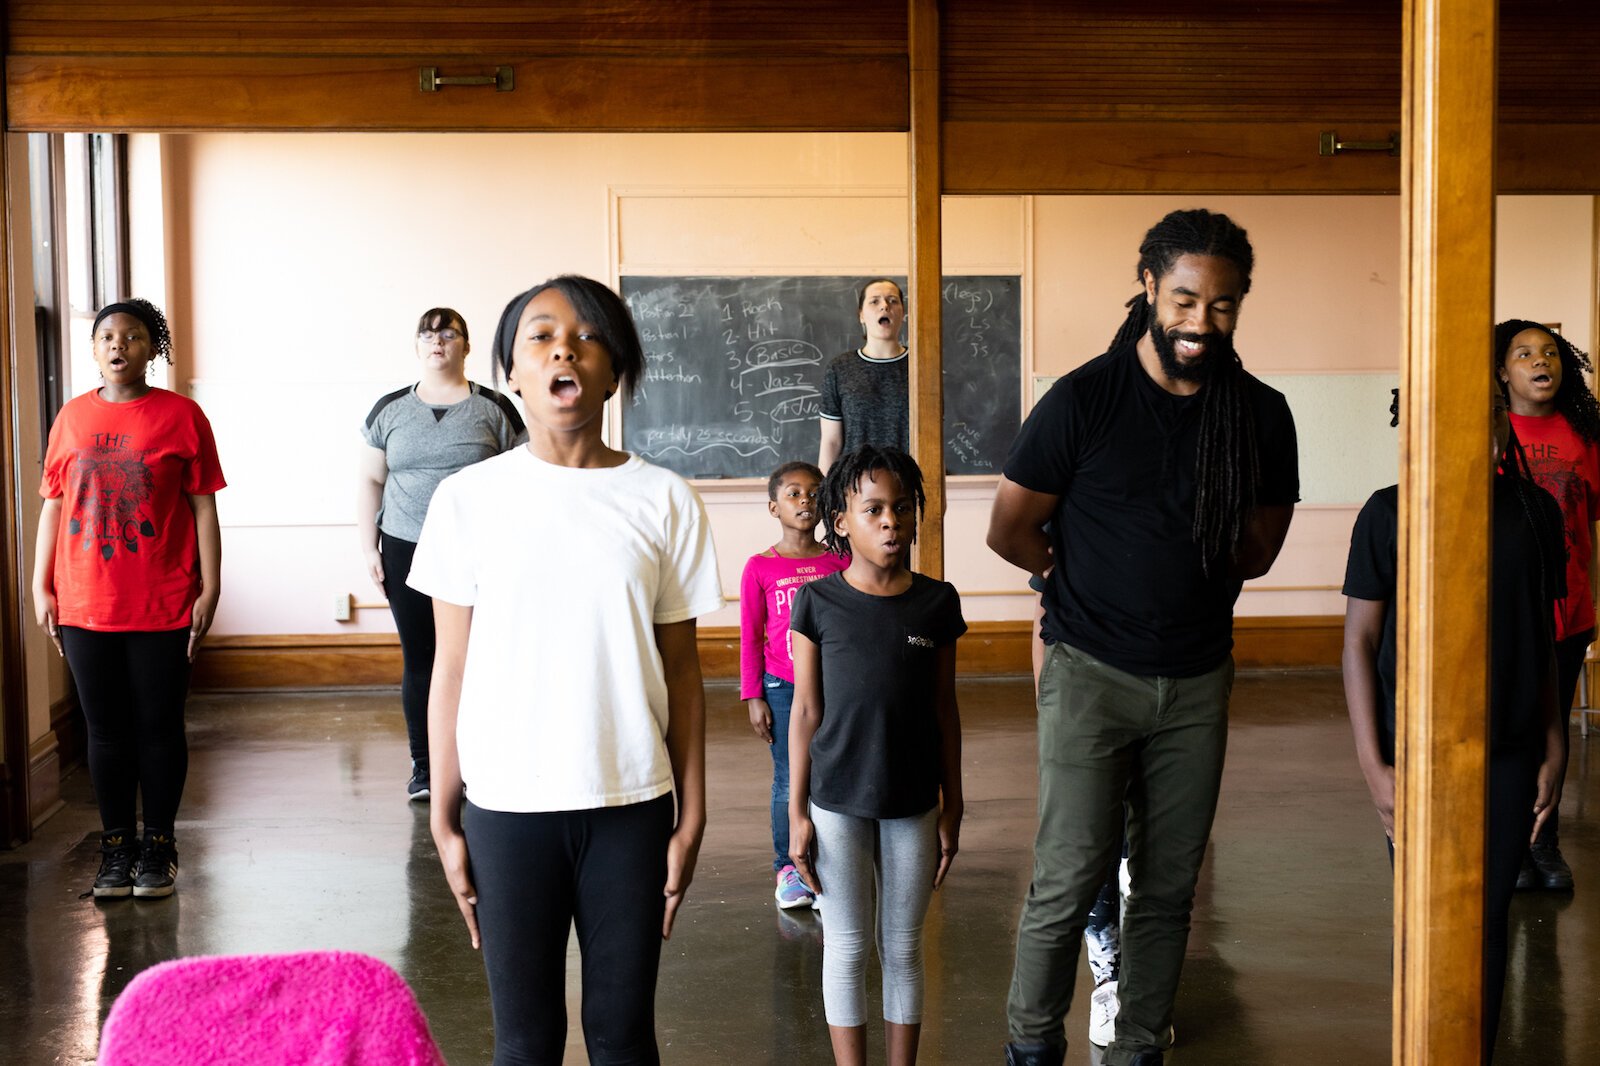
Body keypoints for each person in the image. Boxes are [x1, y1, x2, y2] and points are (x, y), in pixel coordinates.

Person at [988, 208, 1299, 1066]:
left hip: (1196, 682)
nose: (1202, 321)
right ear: (1151, 287)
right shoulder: (1083, 399)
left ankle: (1136, 1049)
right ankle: (1031, 1046)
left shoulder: (1261, 415)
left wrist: (1181, 576)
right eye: (1186, 300)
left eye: (1223, 305)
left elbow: (1259, 547)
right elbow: (1010, 530)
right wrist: (1079, 578)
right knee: (1067, 878)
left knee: (1166, 889)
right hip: (1090, 674)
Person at [407, 275, 722, 1066]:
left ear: (616, 370)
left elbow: (683, 674)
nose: (564, 350)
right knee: (525, 1042)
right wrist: (445, 815)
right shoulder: (467, 499)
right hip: (506, 809)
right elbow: (450, 669)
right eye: (541, 336)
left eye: (587, 337)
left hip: (631, 804)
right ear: (512, 372)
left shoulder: (664, 499)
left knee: (624, 1038)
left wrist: (692, 815)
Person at [1342, 384, 1566, 1057]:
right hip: (1414, 755)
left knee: (1487, 921)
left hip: (1511, 749)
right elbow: (1359, 642)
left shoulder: (1535, 510)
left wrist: (1555, 742)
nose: (1477, 423)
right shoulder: (1388, 512)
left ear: (1502, 420)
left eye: (1490, 409)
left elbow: (1542, 637)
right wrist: (1373, 766)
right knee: (1426, 921)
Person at [31, 298, 225, 900]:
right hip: (85, 601)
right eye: (107, 337)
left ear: (152, 348)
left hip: (164, 599)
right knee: (105, 731)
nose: (119, 345)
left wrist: (212, 584)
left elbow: (203, 506)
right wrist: (39, 583)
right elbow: (54, 505)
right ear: (94, 349)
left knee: (159, 727)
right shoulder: (70, 418)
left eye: (133, 336)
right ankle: (116, 848)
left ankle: (159, 847)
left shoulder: (182, 415)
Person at [787, 445, 965, 1066]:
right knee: (847, 946)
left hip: (913, 800)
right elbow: (805, 712)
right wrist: (796, 813)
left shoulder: (937, 603)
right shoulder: (817, 603)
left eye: (902, 508)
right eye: (874, 510)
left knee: (904, 947)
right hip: (836, 800)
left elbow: (945, 710)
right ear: (840, 521)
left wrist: (953, 804)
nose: (891, 521)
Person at [357, 307, 524, 802]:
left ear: (465, 347)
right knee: (421, 660)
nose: (438, 341)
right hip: (405, 546)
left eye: (449, 334)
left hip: (479, 552)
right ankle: (426, 768)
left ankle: (474, 762)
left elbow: (523, 480)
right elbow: (370, 481)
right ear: (416, 346)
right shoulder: (389, 409)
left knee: (476, 658)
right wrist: (368, 547)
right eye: (428, 334)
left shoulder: (496, 408)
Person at [1494, 318, 1600, 892]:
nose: (1541, 360)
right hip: (1508, 613)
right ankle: (1510, 844)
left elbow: (1589, 523)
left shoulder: (1585, 436)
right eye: (1525, 353)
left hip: (1569, 612)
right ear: (1501, 371)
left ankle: (1545, 843)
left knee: (1551, 731)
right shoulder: (1489, 430)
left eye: (1551, 352)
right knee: (1514, 730)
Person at [739, 459, 847, 910]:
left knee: (833, 775)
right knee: (789, 777)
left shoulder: (840, 561)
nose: (806, 501)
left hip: (835, 686)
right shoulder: (760, 567)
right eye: (794, 494)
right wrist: (753, 695)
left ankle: (830, 870)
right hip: (782, 688)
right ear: (774, 507)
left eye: (815, 493)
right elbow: (750, 635)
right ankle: (788, 868)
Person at [817, 279, 908, 473]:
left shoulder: (922, 366)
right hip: (853, 483)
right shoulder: (839, 368)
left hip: (908, 482)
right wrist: (824, 489)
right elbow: (831, 441)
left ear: (903, 313)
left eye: (893, 301)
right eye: (874, 301)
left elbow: (934, 436)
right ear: (861, 316)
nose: (885, 306)